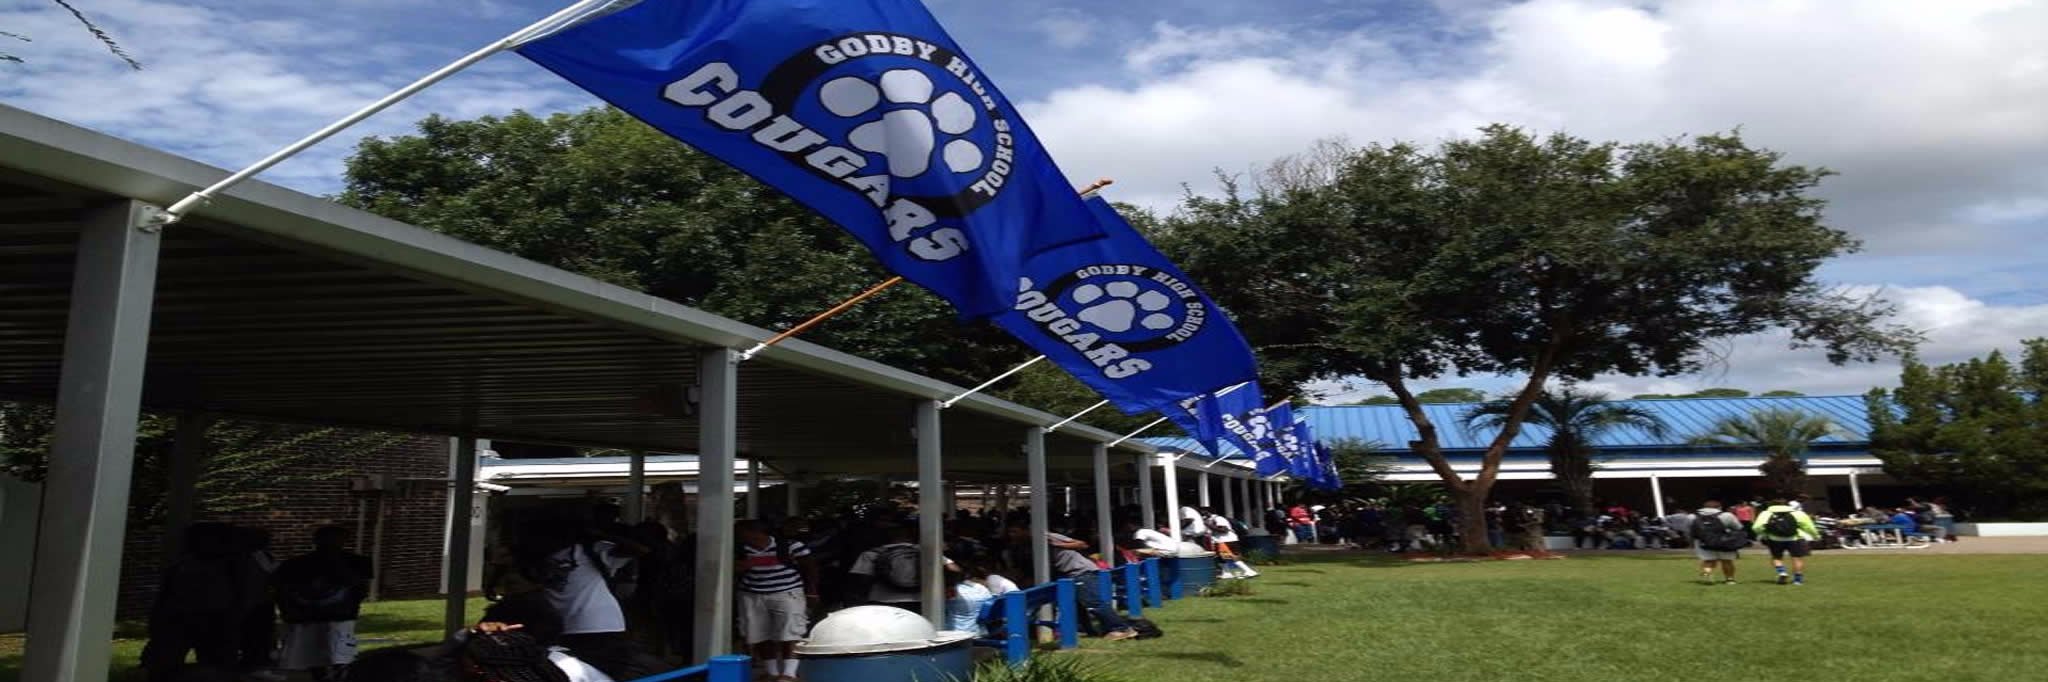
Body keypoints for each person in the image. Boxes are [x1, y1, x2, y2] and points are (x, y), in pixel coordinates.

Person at [142, 523, 243, 682]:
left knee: (216, 666)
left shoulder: (188, 566)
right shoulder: (192, 567)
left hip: (204, 619)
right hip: (191, 619)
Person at [274, 526, 374, 681]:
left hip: (340, 615)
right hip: (310, 615)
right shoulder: (296, 564)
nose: (332, 543)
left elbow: (360, 587)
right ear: (316, 540)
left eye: (336, 539)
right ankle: (323, 676)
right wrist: (287, 611)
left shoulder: (357, 562)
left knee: (339, 653)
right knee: (315, 653)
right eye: (328, 539)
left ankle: (337, 676)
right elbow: (283, 589)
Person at [735, 520, 815, 682]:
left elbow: (810, 567)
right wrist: (740, 566)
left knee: (791, 631)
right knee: (758, 633)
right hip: (752, 594)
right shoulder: (739, 549)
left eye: (743, 532)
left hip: (787, 592)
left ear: (758, 532)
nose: (740, 536)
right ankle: (771, 672)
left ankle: (789, 673)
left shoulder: (790, 546)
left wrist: (812, 592)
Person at [1045, 532, 1137, 641]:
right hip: (1068, 574)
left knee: (1093, 603)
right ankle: (1086, 630)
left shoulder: (1046, 536)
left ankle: (1121, 628)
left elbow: (1082, 544)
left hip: (1081, 571)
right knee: (1077, 605)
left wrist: (1057, 545)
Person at [848, 525, 946, 609]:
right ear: (911, 537)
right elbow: (950, 569)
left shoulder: (872, 554)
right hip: (919, 599)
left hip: (881, 599)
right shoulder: (927, 553)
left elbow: (861, 579)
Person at [1754, 499, 1820, 585]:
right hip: (1794, 538)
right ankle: (1797, 580)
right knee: (1797, 558)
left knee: (1776, 557)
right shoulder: (1797, 513)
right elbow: (1809, 527)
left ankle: (1782, 572)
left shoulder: (1766, 513)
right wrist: (1816, 536)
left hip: (1775, 539)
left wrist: (1765, 533)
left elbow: (1757, 527)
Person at [1688, 500, 1746, 585]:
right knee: (1727, 561)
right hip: (1724, 541)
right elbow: (1738, 527)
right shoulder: (1727, 515)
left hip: (1704, 542)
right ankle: (1730, 579)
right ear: (1719, 507)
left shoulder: (1692, 516)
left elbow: (1691, 530)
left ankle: (1707, 572)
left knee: (1708, 560)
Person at [1203, 508, 1258, 579]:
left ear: (1208, 512)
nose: (1202, 515)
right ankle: (1226, 573)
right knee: (1222, 558)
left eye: (1203, 513)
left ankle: (1249, 571)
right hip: (1220, 541)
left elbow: (1224, 530)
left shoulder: (1219, 519)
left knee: (1232, 557)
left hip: (1227, 540)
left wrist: (1209, 525)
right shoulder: (1210, 520)